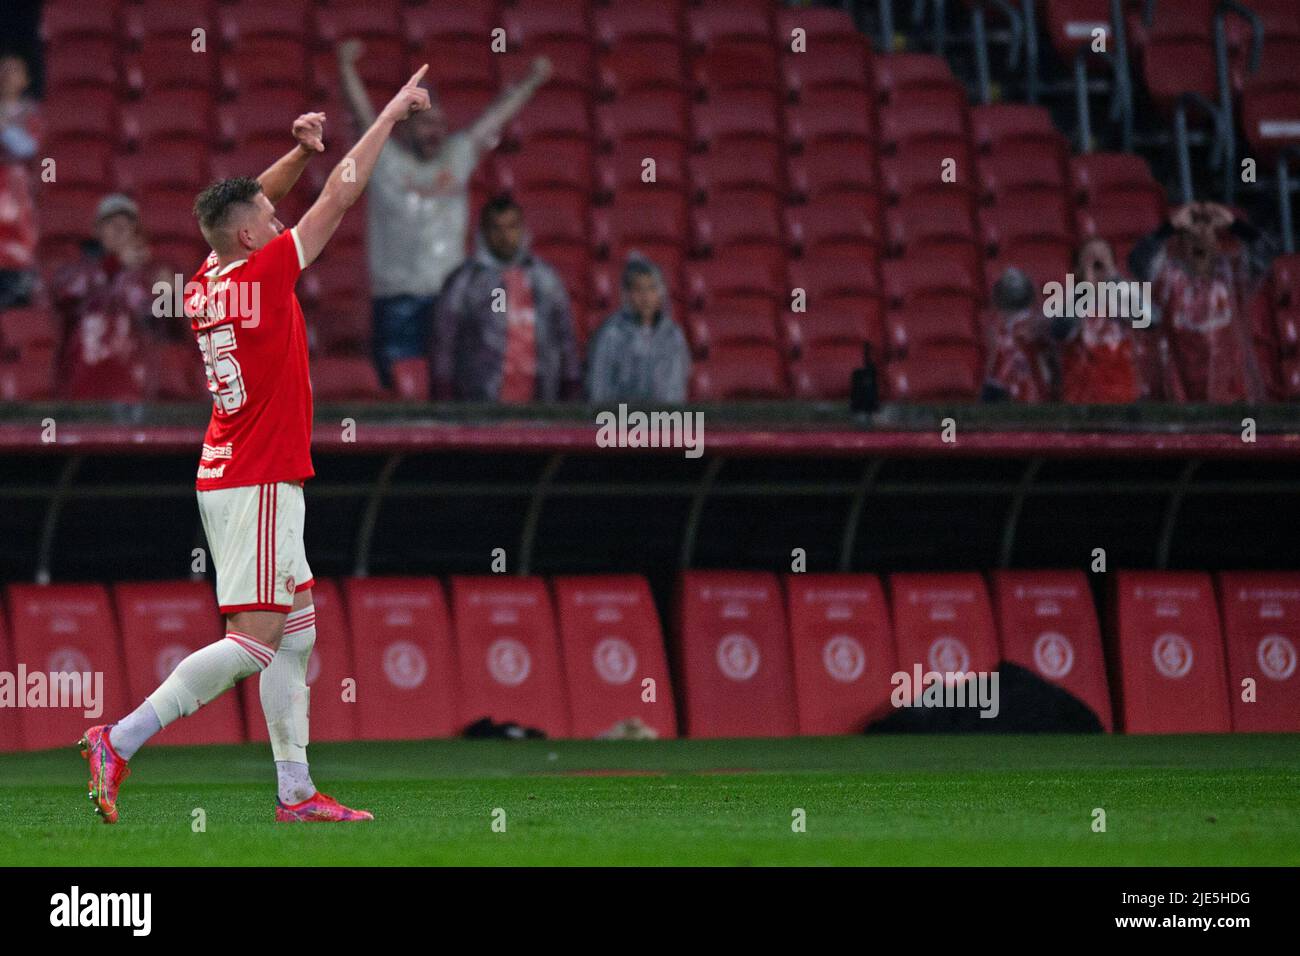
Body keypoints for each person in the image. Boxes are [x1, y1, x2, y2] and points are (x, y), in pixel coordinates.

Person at [79, 69, 434, 825]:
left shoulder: (210, 278)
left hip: (230, 469)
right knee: (257, 642)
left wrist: (295, 153)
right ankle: (120, 737)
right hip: (260, 476)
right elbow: (343, 192)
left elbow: (243, 208)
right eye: (270, 217)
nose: (280, 222)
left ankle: (296, 793)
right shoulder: (268, 271)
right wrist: (392, 115)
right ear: (252, 237)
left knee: (298, 633)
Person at [337, 40, 552, 388]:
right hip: (396, 301)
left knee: (448, 389)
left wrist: (532, 81)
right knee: (397, 391)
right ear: (405, 127)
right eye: (424, 123)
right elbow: (364, 118)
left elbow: (494, 120)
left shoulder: (458, 157)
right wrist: (346, 68)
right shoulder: (385, 161)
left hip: (448, 299)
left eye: (439, 123)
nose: (433, 131)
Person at [432, 193, 579, 402]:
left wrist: (571, 382)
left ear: (523, 229)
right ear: (483, 232)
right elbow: (444, 341)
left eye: (512, 227)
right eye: (496, 228)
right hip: (480, 402)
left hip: (540, 400)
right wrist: (443, 387)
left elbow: (565, 336)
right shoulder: (464, 283)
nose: (505, 236)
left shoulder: (546, 279)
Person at [1129, 201, 1273, 402]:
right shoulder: (1168, 277)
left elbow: (1266, 254)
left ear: (1217, 243)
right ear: (1180, 245)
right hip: (1180, 391)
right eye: (1191, 235)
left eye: (1208, 233)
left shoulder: (1232, 274)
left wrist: (1233, 224)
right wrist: (1169, 227)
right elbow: (1137, 263)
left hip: (1232, 390)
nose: (1200, 238)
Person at [49, 194, 179, 400]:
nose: (119, 229)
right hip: (82, 384)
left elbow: (172, 331)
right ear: (96, 231)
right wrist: (117, 264)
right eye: (110, 223)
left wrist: (173, 298)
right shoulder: (75, 271)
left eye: (126, 224)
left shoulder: (155, 274)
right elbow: (66, 296)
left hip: (134, 386)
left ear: (137, 232)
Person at [586, 253, 690, 403]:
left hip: (663, 422)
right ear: (627, 295)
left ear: (661, 294)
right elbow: (599, 391)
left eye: (652, 289)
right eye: (638, 290)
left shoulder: (673, 335)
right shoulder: (610, 334)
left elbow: (676, 391)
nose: (646, 297)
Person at [1053, 237, 1143, 404]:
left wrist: (1115, 279)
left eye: (1103, 255)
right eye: (1090, 257)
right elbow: (1061, 330)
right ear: (1078, 268)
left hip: (1123, 396)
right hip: (1081, 399)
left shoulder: (1125, 294)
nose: (1097, 260)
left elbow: (1150, 320)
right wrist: (1087, 287)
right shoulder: (1066, 299)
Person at [0, 53, 40, 308]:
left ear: (25, 80)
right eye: (3, 70)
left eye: (13, 71)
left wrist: (5, 128)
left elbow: (28, 149)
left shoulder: (32, 112)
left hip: (17, 194)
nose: (6, 75)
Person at [982, 266, 1054, 402]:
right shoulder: (997, 330)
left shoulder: (1037, 326)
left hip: (1031, 392)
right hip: (1000, 388)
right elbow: (994, 368)